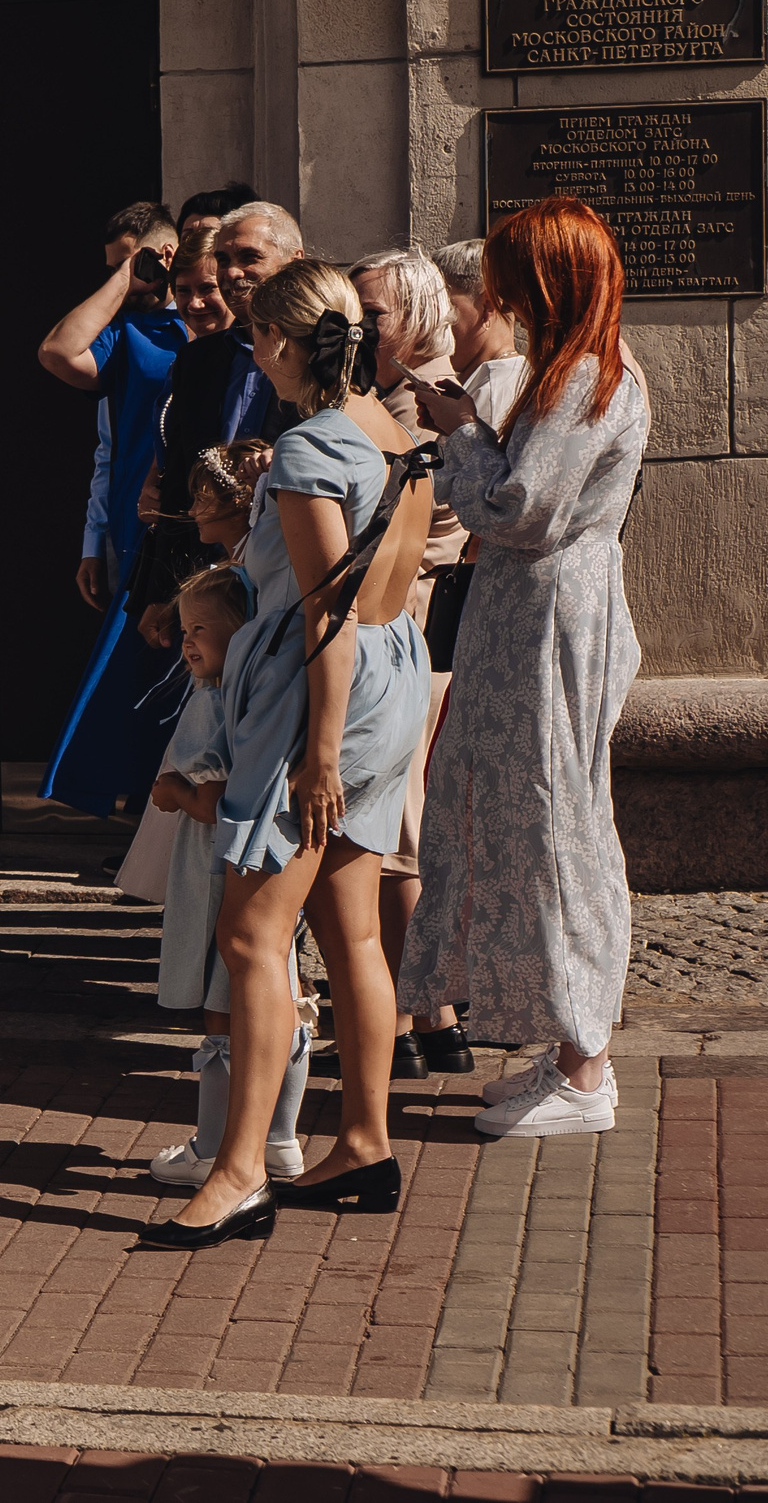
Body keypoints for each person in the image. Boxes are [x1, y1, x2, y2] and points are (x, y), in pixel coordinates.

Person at [142, 260, 433, 1251]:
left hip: (321, 700)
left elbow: (325, 616)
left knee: (251, 934)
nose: (253, 357)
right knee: (350, 926)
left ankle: (237, 1171)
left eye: (257, 340)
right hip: (391, 677)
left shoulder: (310, 447)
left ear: (277, 345)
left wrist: (313, 759)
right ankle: (361, 1138)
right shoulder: (392, 431)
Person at [400, 196, 648, 1140]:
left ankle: (588, 1066)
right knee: (522, 814)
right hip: (525, 616)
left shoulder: (587, 374)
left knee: (558, 825)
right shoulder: (570, 370)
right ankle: (569, 1043)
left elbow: (519, 510)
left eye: (510, 271)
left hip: (553, 616)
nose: (496, 288)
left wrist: (460, 434)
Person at [145, 562, 310, 1189]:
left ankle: (213, 1146)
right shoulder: (259, 697)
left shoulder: (214, 704)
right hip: (269, 862)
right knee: (286, 1000)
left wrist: (174, 795)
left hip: (217, 872)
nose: (188, 642)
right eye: (184, 629)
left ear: (237, 636)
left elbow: (212, 802)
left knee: (223, 1013)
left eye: (201, 629)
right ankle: (279, 1139)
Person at [349, 247, 472, 1080]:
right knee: (405, 825)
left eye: (374, 315)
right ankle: (434, 1017)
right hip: (420, 629)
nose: (361, 329)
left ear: (423, 314)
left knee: (398, 831)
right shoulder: (401, 394)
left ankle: (401, 1016)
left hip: (413, 629)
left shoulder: (428, 403)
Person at [37, 201, 188, 818]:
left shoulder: (216, 325)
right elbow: (57, 353)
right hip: (135, 524)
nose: (122, 279)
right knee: (136, 665)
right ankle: (145, 817)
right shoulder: (128, 332)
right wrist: (90, 540)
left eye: (129, 261)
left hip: (205, 521)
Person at [127, 201, 305, 648]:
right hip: (209, 582)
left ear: (294, 262)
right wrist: (163, 591)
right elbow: (180, 483)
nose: (232, 272)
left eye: (249, 258)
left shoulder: (326, 357)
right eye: (223, 259)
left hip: (293, 577)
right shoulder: (198, 359)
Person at [434, 238, 528, 430]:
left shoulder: (494, 392)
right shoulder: (502, 379)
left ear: (487, 306)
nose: (433, 323)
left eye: (443, 307)